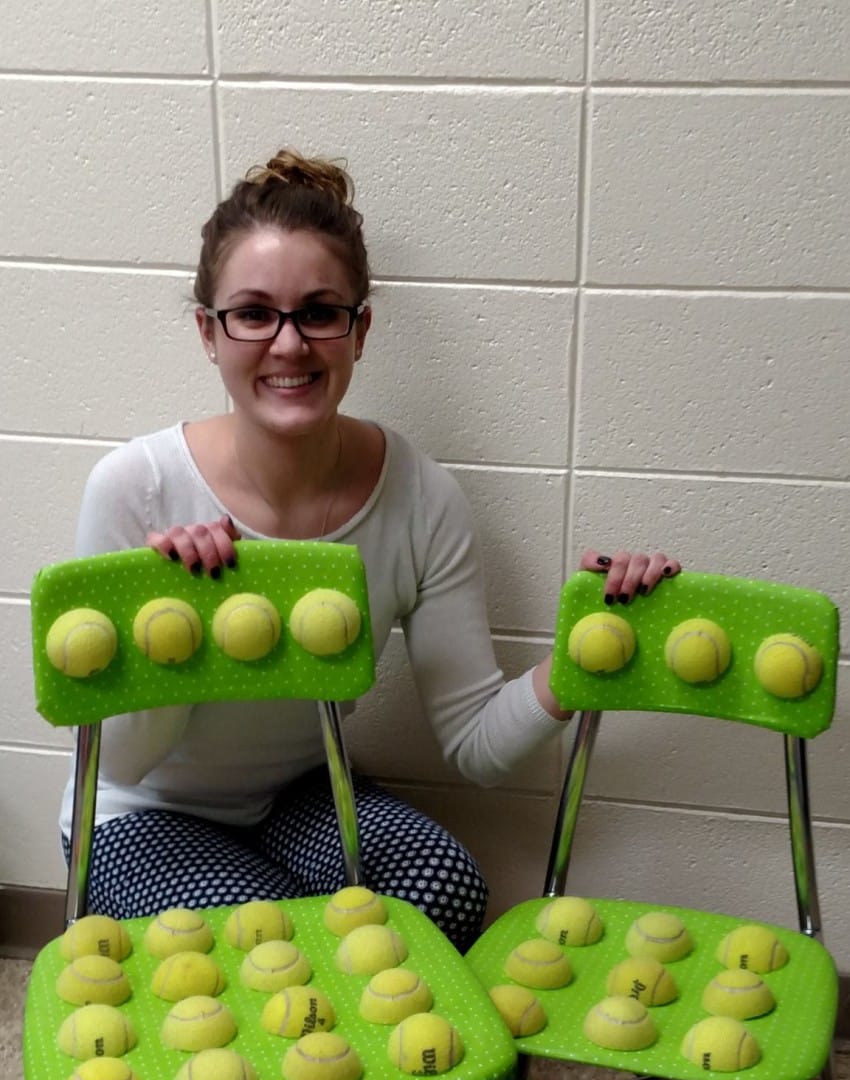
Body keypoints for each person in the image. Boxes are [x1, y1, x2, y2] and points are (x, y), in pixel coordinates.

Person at [60, 150, 680, 951]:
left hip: (299, 794)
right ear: (209, 334)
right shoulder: (135, 489)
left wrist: (583, 662)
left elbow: (475, 745)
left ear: (361, 329)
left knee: (440, 890)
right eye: (254, 313)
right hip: (141, 813)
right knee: (276, 947)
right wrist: (181, 624)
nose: (289, 345)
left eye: (320, 311)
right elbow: (126, 762)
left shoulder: (421, 497)